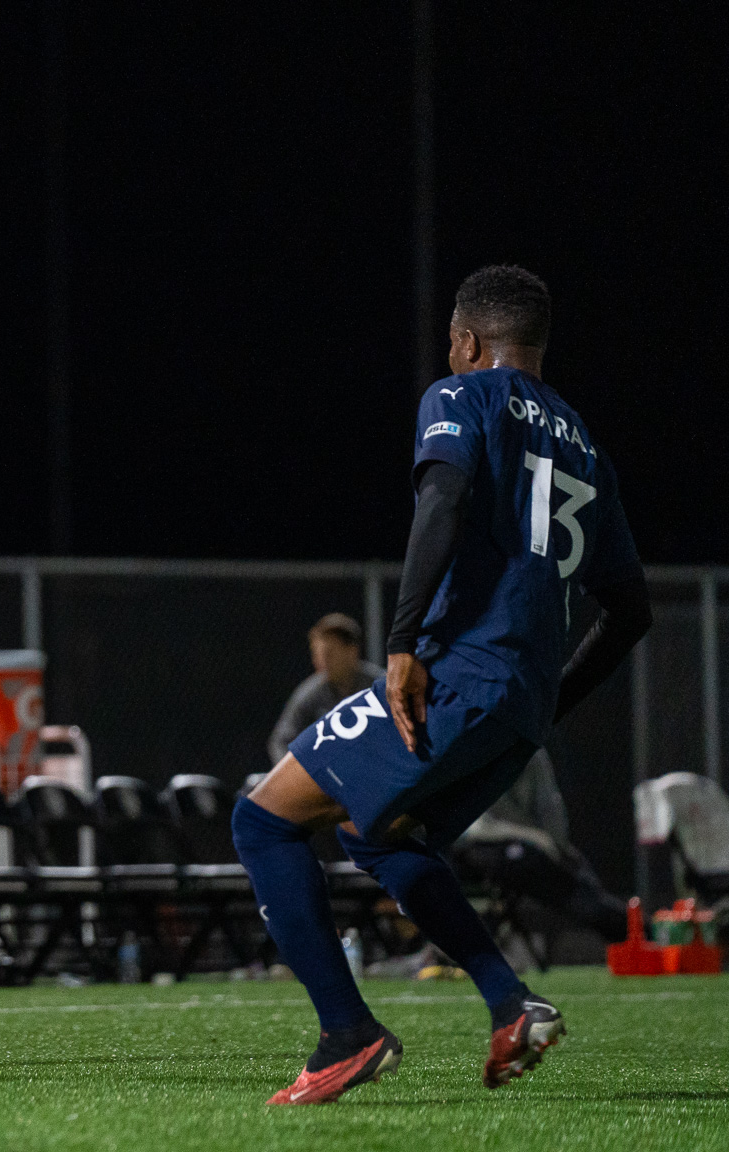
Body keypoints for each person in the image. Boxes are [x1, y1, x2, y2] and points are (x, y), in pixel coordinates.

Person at [233, 266, 651, 1103]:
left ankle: (347, 1033)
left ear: (466, 341)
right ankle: (510, 1000)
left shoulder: (462, 396)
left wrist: (403, 641)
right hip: (518, 701)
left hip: (458, 671)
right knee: (381, 837)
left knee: (263, 821)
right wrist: (546, 705)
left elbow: (446, 496)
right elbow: (630, 611)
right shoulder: (583, 443)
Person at [453, 748, 630, 944]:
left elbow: (550, 810)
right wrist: (540, 839)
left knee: (579, 881)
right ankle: (631, 928)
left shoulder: (532, 750)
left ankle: (636, 929)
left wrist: (556, 847)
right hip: (478, 851)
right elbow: (482, 827)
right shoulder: (474, 747)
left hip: (530, 849)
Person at [267, 614, 386, 766]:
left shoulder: (380, 686)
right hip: (329, 776)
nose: (321, 661)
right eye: (317, 654)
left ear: (352, 651)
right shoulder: (310, 693)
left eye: (329, 654)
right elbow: (281, 741)